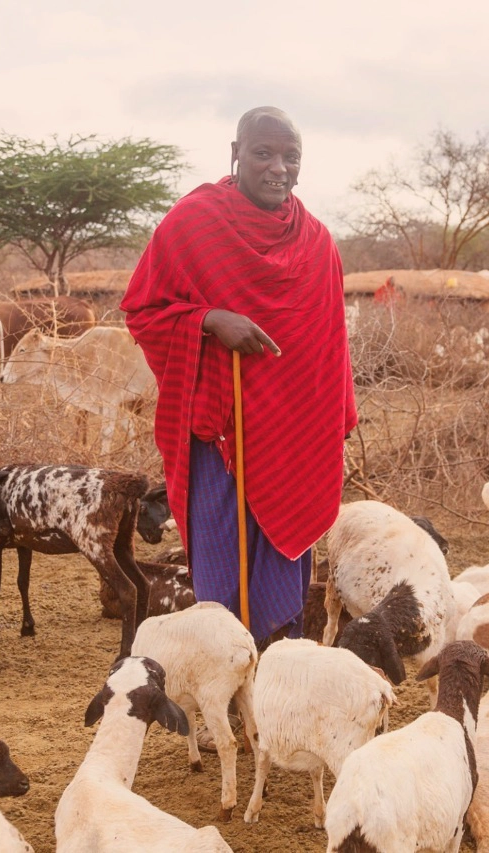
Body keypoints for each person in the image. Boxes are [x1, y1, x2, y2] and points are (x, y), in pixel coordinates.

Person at [121, 106, 356, 647]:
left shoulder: (316, 242)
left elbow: (328, 348)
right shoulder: (194, 223)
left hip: (294, 435)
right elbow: (143, 309)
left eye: (290, 157)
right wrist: (206, 320)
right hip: (220, 436)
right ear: (235, 153)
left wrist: (328, 424)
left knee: (281, 575)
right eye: (263, 153)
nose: (278, 167)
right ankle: (223, 673)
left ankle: (276, 678)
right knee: (223, 566)